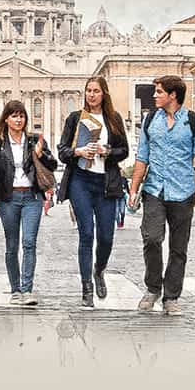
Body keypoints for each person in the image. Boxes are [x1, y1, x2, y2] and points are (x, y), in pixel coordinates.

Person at [128, 75, 195, 316]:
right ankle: (153, 287)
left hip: (183, 191)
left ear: (173, 95)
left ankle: (171, 296)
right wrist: (134, 188)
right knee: (152, 238)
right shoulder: (150, 120)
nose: (154, 95)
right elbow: (142, 157)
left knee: (178, 247)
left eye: (158, 92)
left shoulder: (194, 121)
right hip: (154, 189)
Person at [58, 75, 129, 308]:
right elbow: (62, 151)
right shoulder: (75, 118)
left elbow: (124, 151)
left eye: (96, 91)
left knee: (106, 237)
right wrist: (78, 152)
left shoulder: (114, 119)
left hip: (106, 182)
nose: (91, 94)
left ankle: (99, 270)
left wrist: (106, 150)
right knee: (86, 233)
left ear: (104, 93)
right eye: (88, 90)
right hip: (81, 180)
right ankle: (86, 286)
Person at [0, 100, 58, 306]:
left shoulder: (35, 140)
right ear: (6, 119)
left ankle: (27, 290)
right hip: (9, 198)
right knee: (11, 246)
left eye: (22, 116)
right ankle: (15, 289)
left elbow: (53, 164)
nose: (19, 120)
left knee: (29, 243)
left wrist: (40, 154)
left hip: (32, 197)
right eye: (14, 116)